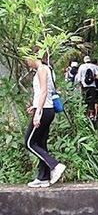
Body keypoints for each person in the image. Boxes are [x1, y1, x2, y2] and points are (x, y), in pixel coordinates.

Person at [24, 47, 66, 188]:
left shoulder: (42, 69)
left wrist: (38, 112)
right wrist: (35, 107)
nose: (26, 61)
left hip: (44, 111)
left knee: (30, 143)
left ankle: (55, 165)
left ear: (34, 56)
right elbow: (44, 93)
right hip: (46, 109)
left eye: (27, 57)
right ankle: (43, 177)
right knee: (41, 144)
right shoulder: (47, 69)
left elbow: (43, 92)